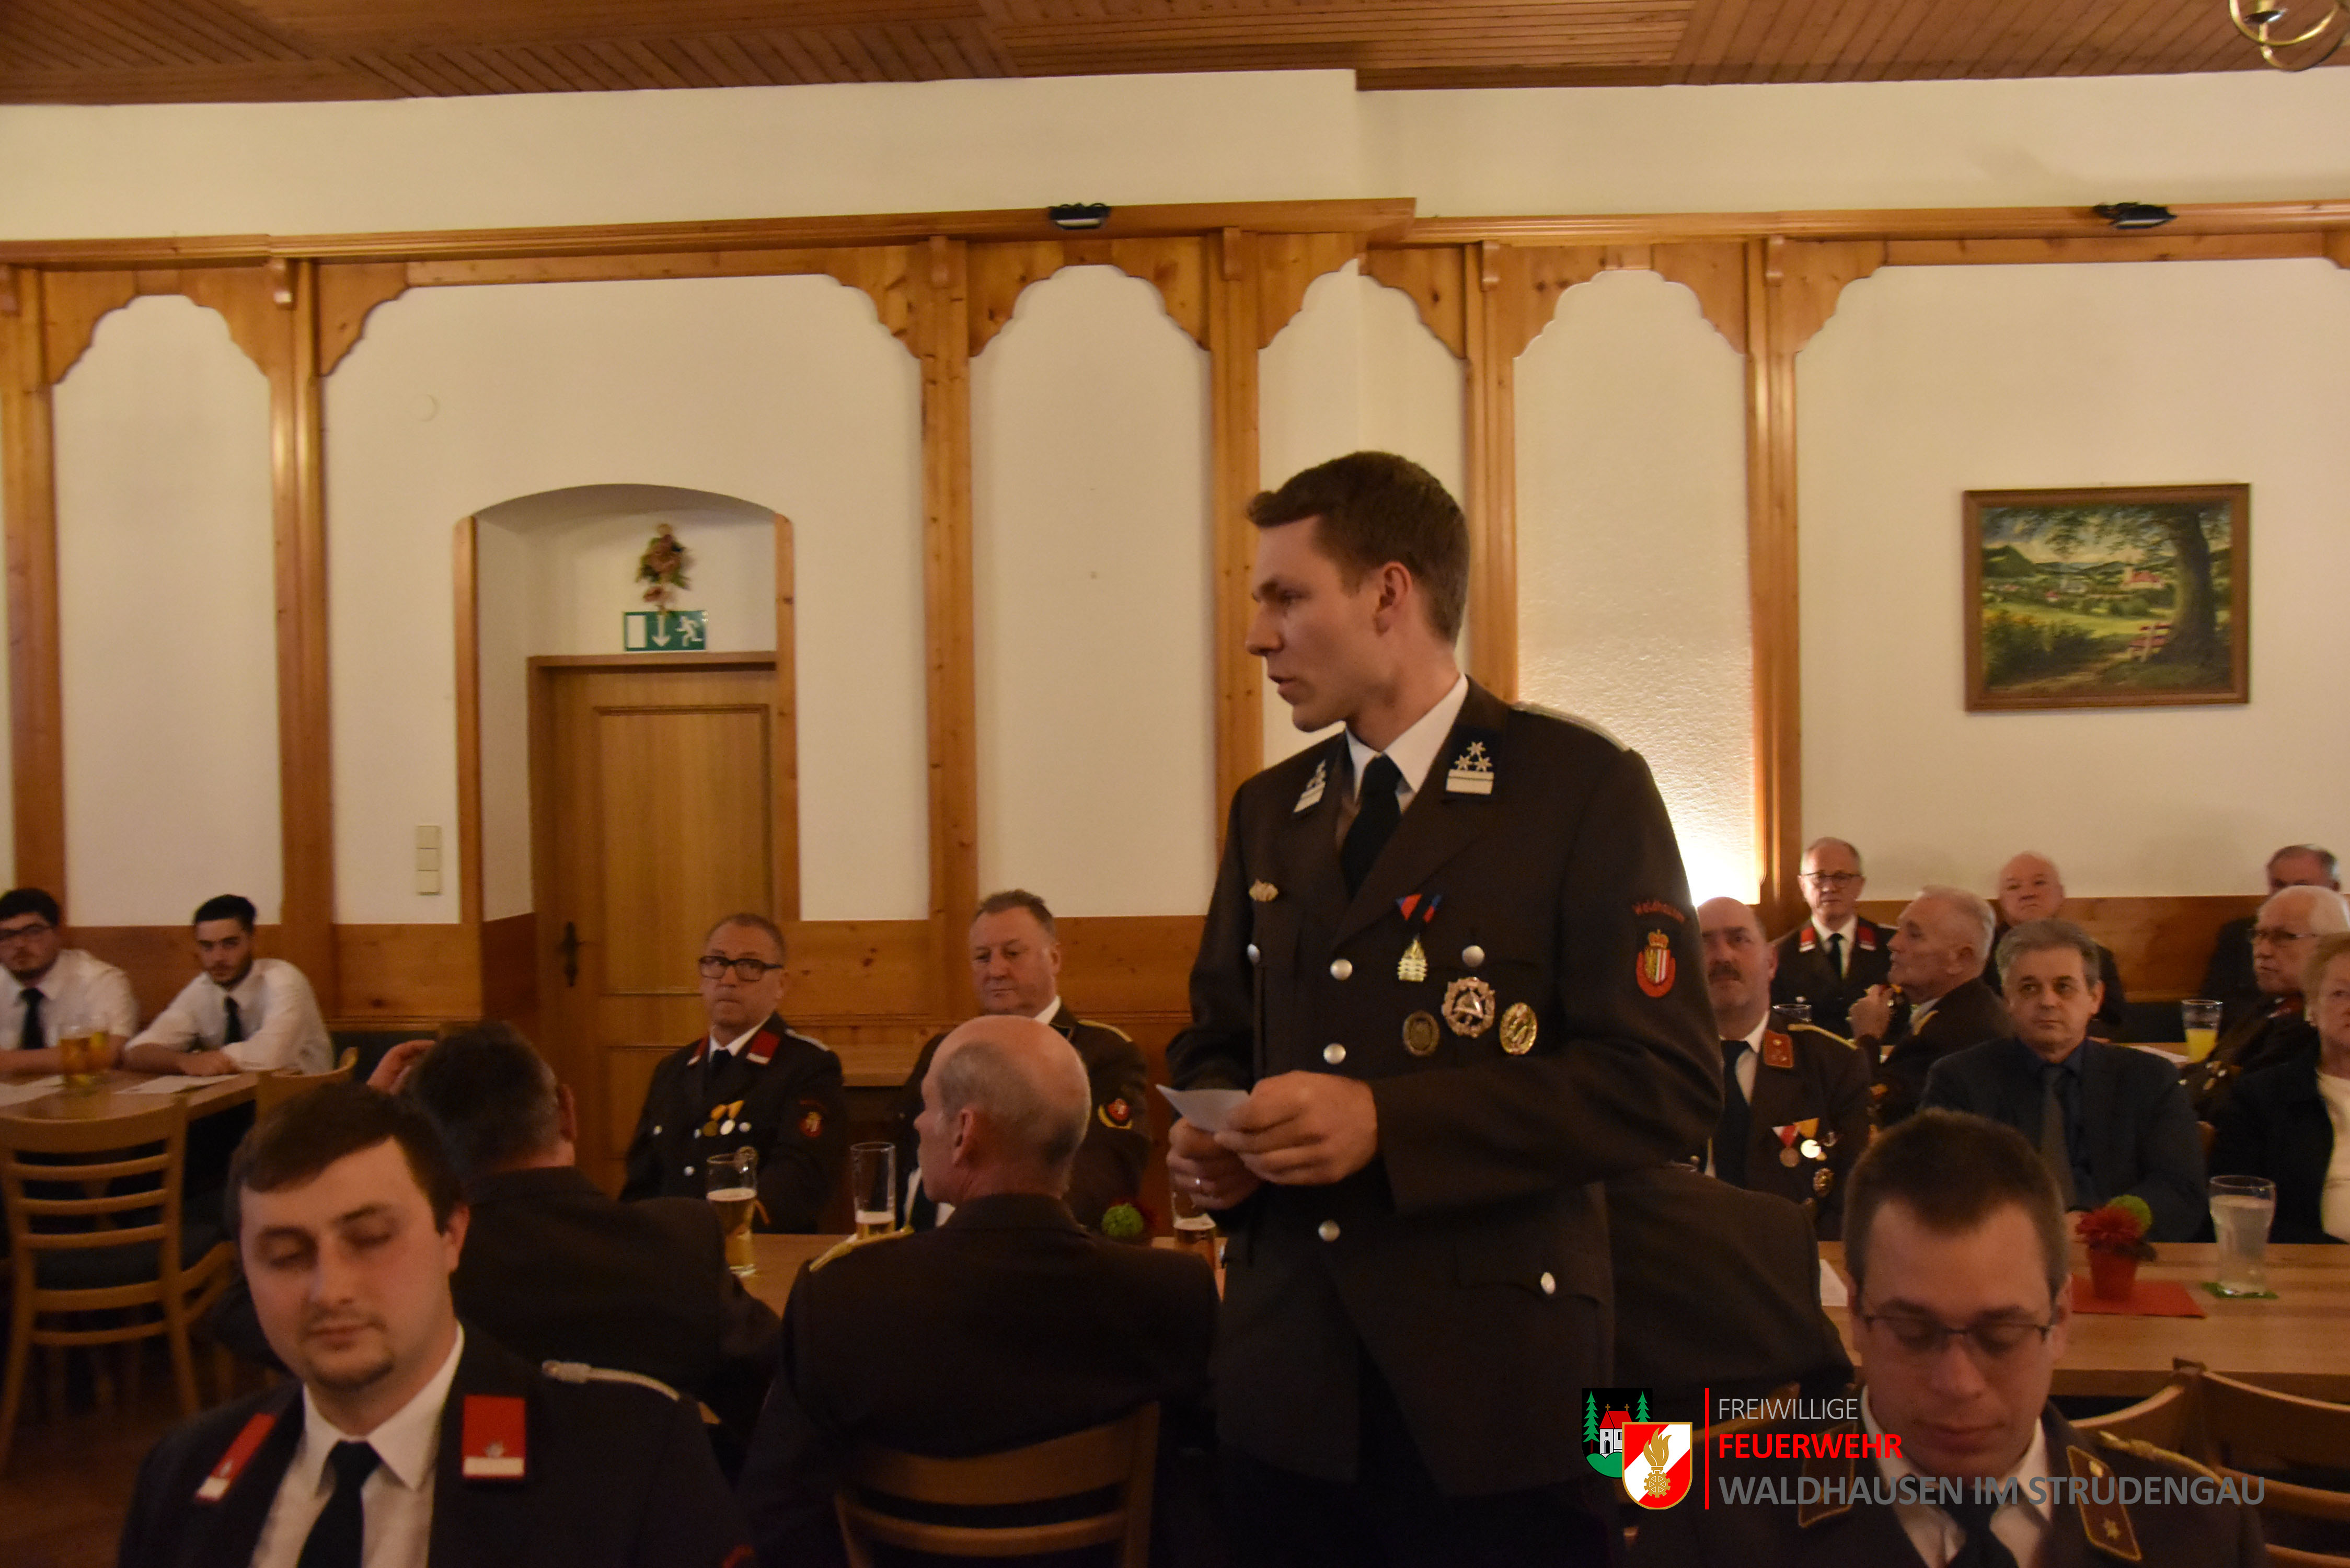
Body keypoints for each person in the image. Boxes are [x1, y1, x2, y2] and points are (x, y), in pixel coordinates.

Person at [1165, 451, 1717, 1566]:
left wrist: (1389, 1123)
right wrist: (1213, 1138)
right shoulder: (1272, 810)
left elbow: (1664, 1083)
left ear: (1388, 593)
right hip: (1290, 1385)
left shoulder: (1577, 790)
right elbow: (1218, 1034)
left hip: (1498, 1389)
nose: (1258, 637)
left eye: (1285, 597)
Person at [117, 1082, 751, 1568]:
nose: (329, 1290)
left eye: (370, 1239)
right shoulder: (182, 1471)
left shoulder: (627, 1463)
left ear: (451, 1234)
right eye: (286, 1255)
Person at [1628, 1109, 2265, 1566]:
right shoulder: (1709, 1522)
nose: (1957, 1383)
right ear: (1856, 1316)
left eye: (2000, 1334)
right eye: (1912, 1332)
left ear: (2059, 1320)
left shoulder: (2199, 1532)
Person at [738, 1014, 1218, 1568]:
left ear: (964, 1132)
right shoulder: (1171, 1296)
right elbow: (1214, 1494)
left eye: (926, 1106)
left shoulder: (840, 1299)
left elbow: (775, 1516)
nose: (918, 1124)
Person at [396, 1022, 781, 1446]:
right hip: (651, 1484)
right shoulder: (678, 1245)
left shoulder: (417, 1280)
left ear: (419, 1154)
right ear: (568, 1112)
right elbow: (787, 1408)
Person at [1921, 919, 2205, 1241]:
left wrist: (2100, 1225)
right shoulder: (1959, 1080)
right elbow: (1940, 1188)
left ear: (2095, 998)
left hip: (2118, 1252)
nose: (2048, 1001)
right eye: (2029, 988)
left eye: (2064, 987)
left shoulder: (2150, 1079)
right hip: (2003, 1251)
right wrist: (2033, 1232)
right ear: (2007, 999)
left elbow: (2180, 1189)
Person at [887, 890, 1150, 1231]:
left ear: (1054, 959)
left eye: (1012, 954)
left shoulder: (1104, 1054)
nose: (996, 970)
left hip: (1035, 1247)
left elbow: (1104, 1175)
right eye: (982, 957)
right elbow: (899, 1160)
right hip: (919, 1248)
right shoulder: (944, 1051)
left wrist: (997, 1234)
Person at [620, 913, 845, 1231]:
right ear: (702, 979)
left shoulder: (807, 1066)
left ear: (781, 985)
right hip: (670, 1248)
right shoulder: (673, 1071)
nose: (728, 979)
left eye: (749, 966)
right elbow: (641, 1184)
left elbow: (799, 1179)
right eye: (716, 963)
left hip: (755, 1246)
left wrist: (714, 1230)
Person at [1604, 1161, 1852, 1418]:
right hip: (1754, 1441)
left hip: (1608, 1437)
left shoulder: (1589, 1221)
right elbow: (1829, 1388)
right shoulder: (1779, 1225)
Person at [1701, 895, 1871, 1236]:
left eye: (1739, 939)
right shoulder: (1658, 1064)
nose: (1723, 956)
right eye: (1704, 943)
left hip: (1799, 1255)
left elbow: (1852, 1200)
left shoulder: (1833, 1063)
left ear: (1771, 962)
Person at [2209, 932, 2350, 1243]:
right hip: (2310, 1263)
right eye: (2340, 994)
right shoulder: (2262, 1098)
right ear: (2311, 1009)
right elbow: (2239, 1208)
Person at [1848, 887, 2011, 1127]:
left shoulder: (1951, 1034)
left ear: (1961, 958)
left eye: (1914, 935)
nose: (1894, 943)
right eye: (1899, 929)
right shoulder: (1970, 1008)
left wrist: (1867, 1038)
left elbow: (1870, 1113)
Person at [123, 894, 331, 1076]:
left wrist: (209, 1059)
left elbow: (271, 1057)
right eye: (207, 947)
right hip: (238, 1099)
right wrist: (183, 1061)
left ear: (253, 940)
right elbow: (136, 1052)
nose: (218, 958)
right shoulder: (202, 988)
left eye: (230, 944)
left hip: (306, 1099)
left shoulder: (284, 980)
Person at [2194, 884, 2350, 1121]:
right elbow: (2211, 1069)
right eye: (2259, 935)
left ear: (2330, 944)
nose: (2263, 951)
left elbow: (2239, 1103)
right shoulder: (2274, 1003)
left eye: (2284, 937)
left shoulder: (2317, 1027)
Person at [1987, 853, 2127, 1038]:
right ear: (2002, 900)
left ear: (2060, 894)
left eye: (2039, 883)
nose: (2028, 894)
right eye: (2014, 887)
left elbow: (2117, 1023)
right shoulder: (1983, 956)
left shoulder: (2095, 954)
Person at [2202, 845, 2338, 1034]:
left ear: (2333, 888)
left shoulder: (2340, 945)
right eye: (2279, 885)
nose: (2263, 950)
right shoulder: (2238, 934)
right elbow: (2214, 1004)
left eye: (2301, 886)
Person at [0, 886, 137, 1073]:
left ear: (59, 933)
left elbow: (109, 1053)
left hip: (83, 1088)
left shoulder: (100, 980)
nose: (19, 944)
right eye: (6, 936)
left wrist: (9, 1061)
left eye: (33, 931)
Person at [1770, 838, 1892, 1039]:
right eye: (1819, 877)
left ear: (1860, 885)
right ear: (1802, 884)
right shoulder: (1779, 956)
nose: (1830, 887)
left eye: (1841, 877)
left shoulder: (1890, 947)